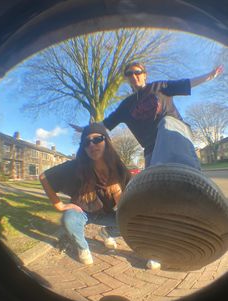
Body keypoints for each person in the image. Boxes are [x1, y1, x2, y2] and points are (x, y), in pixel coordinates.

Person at [70, 62, 223, 269]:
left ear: (144, 75)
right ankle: (156, 248)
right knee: (156, 196)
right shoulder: (125, 106)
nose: (134, 76)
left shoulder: (159, 87)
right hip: (152, 149)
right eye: (129, 74)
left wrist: (209, 75)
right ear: (127, 79)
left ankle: (194, 186)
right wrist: (86, 129)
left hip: (175, 132)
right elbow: (105, 125)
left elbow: (187, 83)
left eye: (137, 72)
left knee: (166, 124)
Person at [39, 123, 131, 265]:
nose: (92, 145)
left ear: (106, 140)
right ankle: (82, 247)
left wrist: (118, 193)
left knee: (130, 221)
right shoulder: (76, 166)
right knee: (69, 219)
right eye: (86, 142)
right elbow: (44, 177)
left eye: (97, 139)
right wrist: (60, 206)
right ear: (83, 147)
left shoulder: (119, 168)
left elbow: (126, 204)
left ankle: (106, 233)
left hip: (107, 214)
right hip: (82, 212)